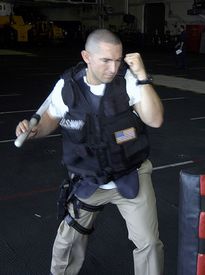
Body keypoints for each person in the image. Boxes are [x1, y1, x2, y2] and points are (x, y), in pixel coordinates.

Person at [15, 29, 164, 275]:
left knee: (149, 243)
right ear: (86, 57)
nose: (113, 68)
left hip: (130, 176)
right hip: (89, 179)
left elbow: (155, 120)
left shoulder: (127, 81)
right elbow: (51, 118)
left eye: (117, 60)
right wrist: (35, 131)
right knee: (67, 242)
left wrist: (142, 76)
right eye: (106, 60)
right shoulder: (68, 86)